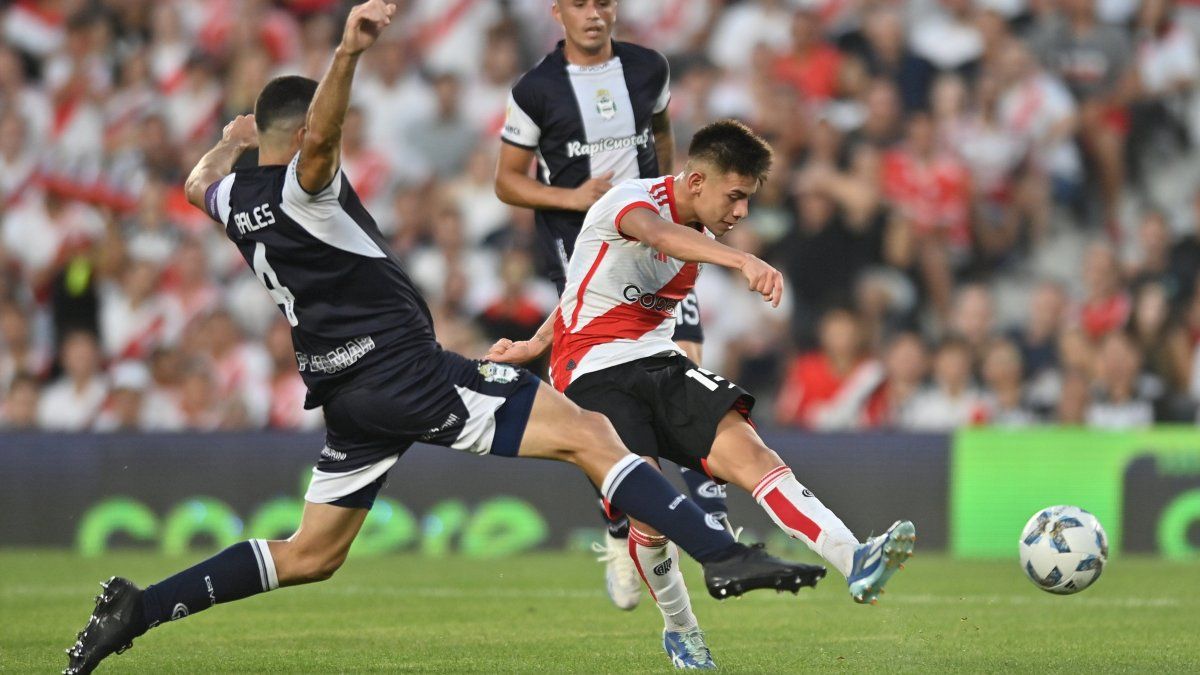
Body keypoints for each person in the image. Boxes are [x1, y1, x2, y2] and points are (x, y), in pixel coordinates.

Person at [62, 5, 825, 674]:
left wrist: (231, 142)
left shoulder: (234, 199)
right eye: (322, 137)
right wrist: (348, 53)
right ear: (300, 140)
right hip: (405, 372)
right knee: (588, 431)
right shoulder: (304, 185)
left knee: (312, 554)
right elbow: (321, 136)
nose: (337, 143)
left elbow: (196, 181)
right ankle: (721, 554)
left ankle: (140, 608)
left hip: (346, 391)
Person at [489, 120, 916, 669]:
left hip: (658, 362)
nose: (741, 212)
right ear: (696, 181)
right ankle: (681, 630)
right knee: (649, 513)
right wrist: (745, 260)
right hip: (592, 372)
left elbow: (581, 289)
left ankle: (853, 556)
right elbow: (661, 236)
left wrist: (531, 344)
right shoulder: (633, 200)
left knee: (754, 454)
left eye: (748, 200)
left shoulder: (704, 237)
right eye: (734, 196)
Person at [494, 0, 728, 614]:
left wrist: (674, 213)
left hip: (657, 251)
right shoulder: (536, 89)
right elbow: (506, 181)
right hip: (585, 260)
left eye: (604, 2)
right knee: (603, 408)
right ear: (559, 12)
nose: (594, 14)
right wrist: (571, 197)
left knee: (687, 365)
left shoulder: (650, 68)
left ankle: (710, 521)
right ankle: (625, 529)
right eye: (580, 3)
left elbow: (663, 143)